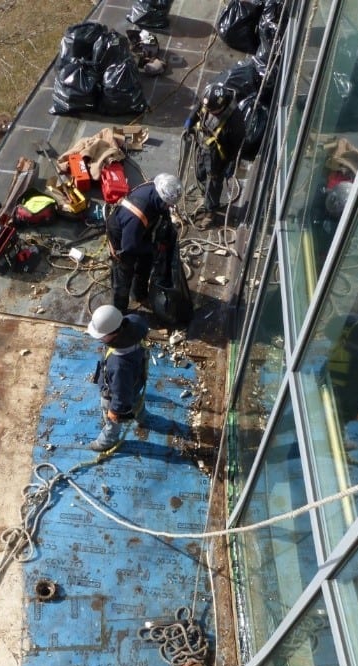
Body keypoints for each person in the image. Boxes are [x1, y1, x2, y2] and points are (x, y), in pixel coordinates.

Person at [105, 173, 183, 312]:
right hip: (123, 240)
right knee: (123, 276)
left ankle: (139, 295)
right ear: (161, 199)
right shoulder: (136, 215)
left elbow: (162, 213)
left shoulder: (155, 189)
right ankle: (118, 311)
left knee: (145, 264)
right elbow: (129, 246)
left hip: (141, 230)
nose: (168, 208)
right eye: (167, 205)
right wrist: (154, 247)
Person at [86, 304, 149, 452]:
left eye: (102, 336)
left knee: (112, 422)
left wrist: (115, 410)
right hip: (135, 382)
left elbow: (120, 393)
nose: (100, 338)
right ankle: (143, 417)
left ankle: (107, 440)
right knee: (135, 399)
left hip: (115, 394)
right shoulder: (133, 323)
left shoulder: (119, 365)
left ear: (112, 334)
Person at [183, 82, 247, 228]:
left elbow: (237, 146)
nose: (209, 112)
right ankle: (205, 196)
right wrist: (190, 121)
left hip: (217, 156)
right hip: (203, 146)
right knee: (200, 174)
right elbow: (199, 107)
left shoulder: (235, 121)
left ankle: (210, 212)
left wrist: (231, 164)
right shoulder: (210, 98)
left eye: (213, 111)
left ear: (221, 106)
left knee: (213, 182)